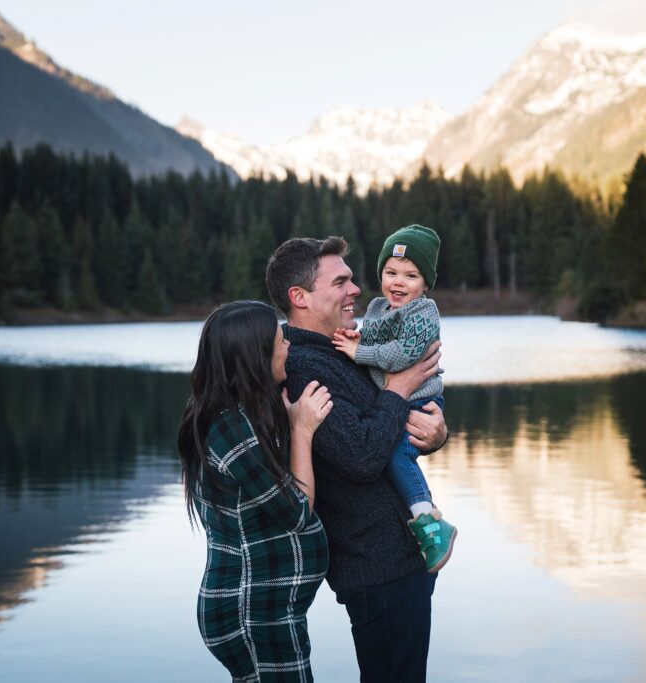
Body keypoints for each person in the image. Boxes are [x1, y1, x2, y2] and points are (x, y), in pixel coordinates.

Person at [265, 236, 448, 683]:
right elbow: (361, 456)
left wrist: (436, 433)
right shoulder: (302, 365)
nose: (355, 290)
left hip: (400, 558)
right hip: (374, 564)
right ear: (299, 297)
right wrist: (399, 389)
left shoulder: (339, 348)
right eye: (340, 281)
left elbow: (387, 430)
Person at [177, 300, 334, 683]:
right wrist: (302, 430)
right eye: (281, 340)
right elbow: (297, 513)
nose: (287, 347)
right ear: (255, 355)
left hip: (268, 608)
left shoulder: (243, 414)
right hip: (254, 611)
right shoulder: (229, 428)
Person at [331, 224, 456, 573]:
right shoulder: (376, 308)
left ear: (426, 284)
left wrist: (359, 353)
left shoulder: (423, 314)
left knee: (398, 455)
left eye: (411, 275)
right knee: (391, 453)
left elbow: (402, 355)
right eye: (391, 272)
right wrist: (352, 337)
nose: (398, 282)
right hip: (397, 401)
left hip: (420, 401)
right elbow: (368, 337)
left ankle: (430, 521)